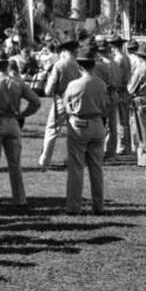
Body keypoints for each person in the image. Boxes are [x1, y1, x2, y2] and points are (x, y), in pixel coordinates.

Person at [0, 52, 40, 209]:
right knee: (15, 163)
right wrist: (22, 114)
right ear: (7, 65)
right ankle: (19, 198)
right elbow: (36, 101)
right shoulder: (17, 83)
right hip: (12, 123)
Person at [62, 44, 109, 215]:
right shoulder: (101, 84)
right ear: (94, 65)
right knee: (96, 168)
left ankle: (73, 207)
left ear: (79, 65)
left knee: (76, 168)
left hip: (79, 125)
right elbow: (105, 106)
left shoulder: (74, 84)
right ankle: (99, 206)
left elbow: (66, 106)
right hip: (97, 124)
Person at [38, 39, 80, 168]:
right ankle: (75, 159)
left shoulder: (60, 65)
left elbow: (49, 89)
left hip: (61, 100)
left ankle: (44, 160)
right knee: (75, 131)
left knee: (51, 130)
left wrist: (48, 91)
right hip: (76, 100)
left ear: (64, 51)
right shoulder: (78, 64)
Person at [126, 41, 146, 167]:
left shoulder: (140, 70)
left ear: (139, 56)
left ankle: (145, 159)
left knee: (141, 130)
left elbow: (131, 89)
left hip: (141, 100)